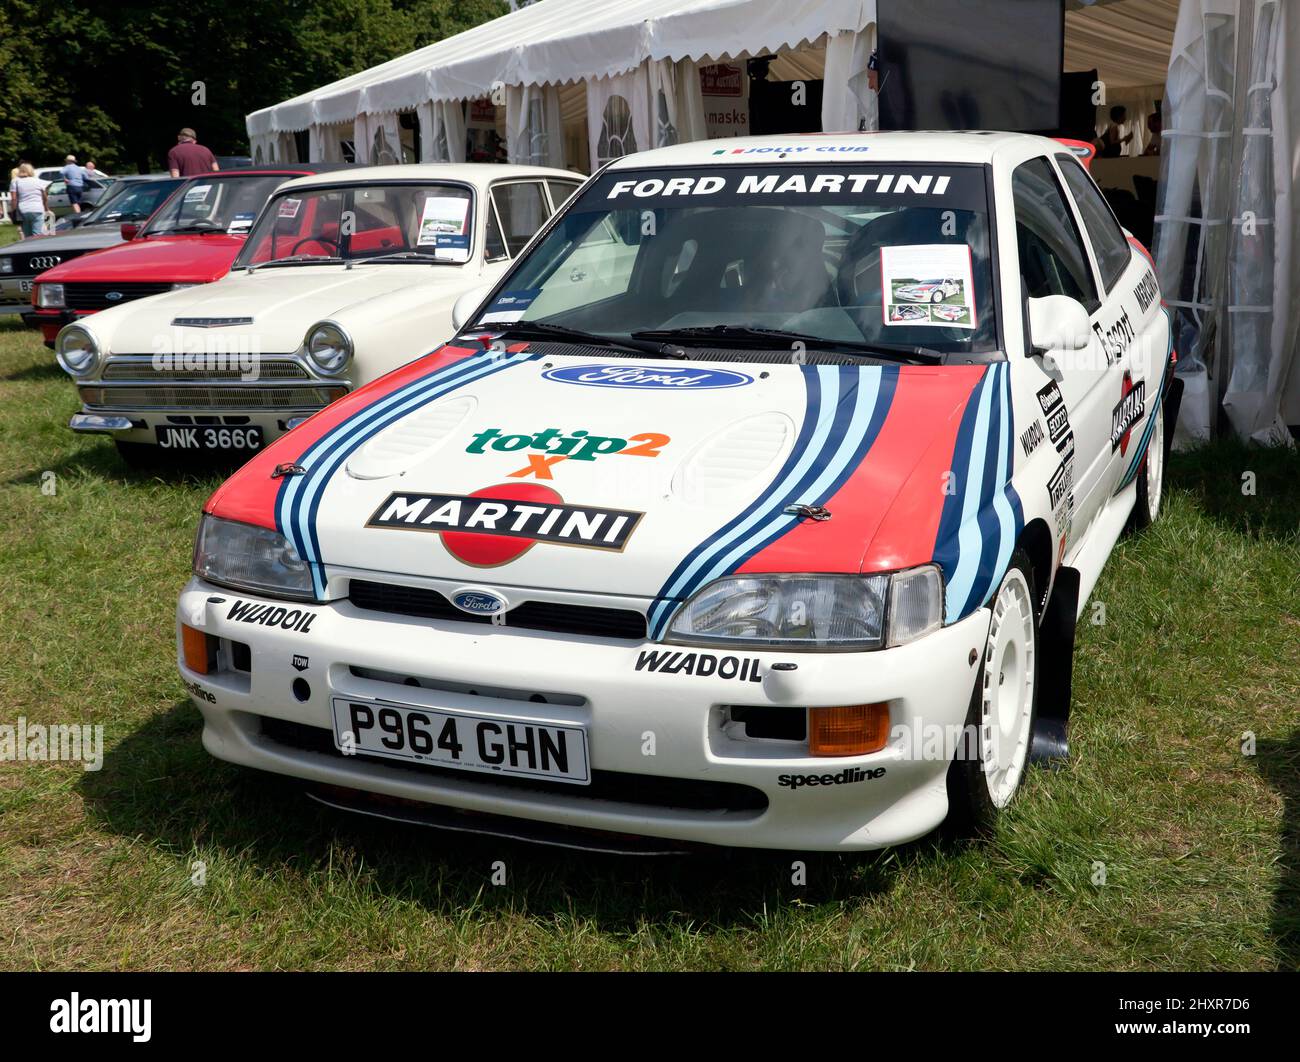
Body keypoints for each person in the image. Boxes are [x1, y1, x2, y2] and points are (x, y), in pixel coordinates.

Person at [10, 163, 51, 238]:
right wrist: (46, 208)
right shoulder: (38, 181)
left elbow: (14, 198)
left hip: (23, 210)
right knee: (37, 234)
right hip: (37, 209)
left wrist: (13, 210)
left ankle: (28, 248)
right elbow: (44, 197)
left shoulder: (15, 181)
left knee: (27, 235)